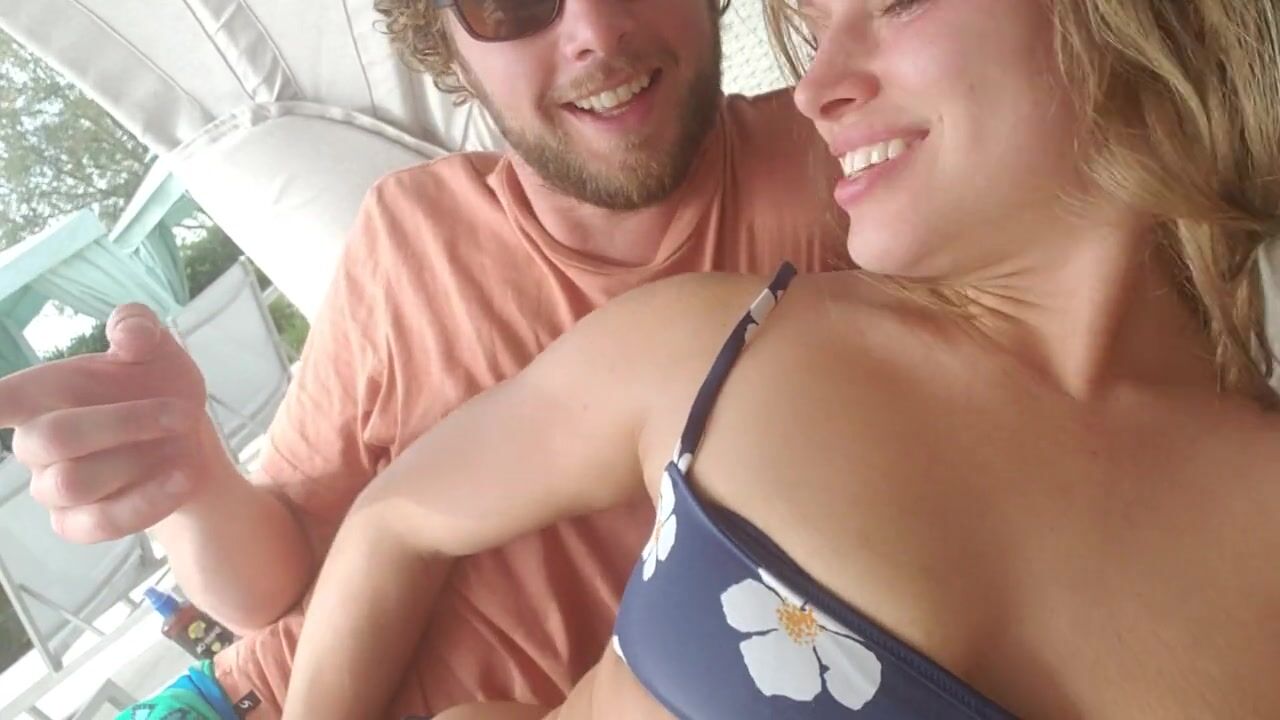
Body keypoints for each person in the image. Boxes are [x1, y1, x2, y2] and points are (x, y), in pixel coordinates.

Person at [282, 0, 1280, 717]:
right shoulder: (716, 346)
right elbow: (391, 518)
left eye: (893, 2)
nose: (814, 89)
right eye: (809, 24)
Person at [0, 0, 847, 717]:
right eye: (510, 3)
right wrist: (189, 483)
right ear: (446, 45)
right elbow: (267, 590)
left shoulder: (846, 168)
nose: (596, 31)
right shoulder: (410, 235)